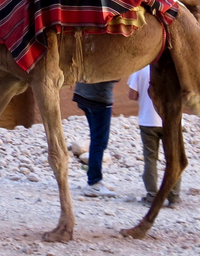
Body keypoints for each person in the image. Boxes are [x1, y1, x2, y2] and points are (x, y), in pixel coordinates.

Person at [127, 65, 181, 206]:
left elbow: (132, 95)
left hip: (148, 120)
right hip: (170, 121)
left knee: (150, 158)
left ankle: (152, 196)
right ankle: (174, 196)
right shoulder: (173, 68)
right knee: (173, 159)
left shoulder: (140, 68)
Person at [73, 80, 117, 197]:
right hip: (99, 99)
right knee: (99, 142)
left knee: (95, 138)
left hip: (82, 95)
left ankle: (95, 179)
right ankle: (94, 183)